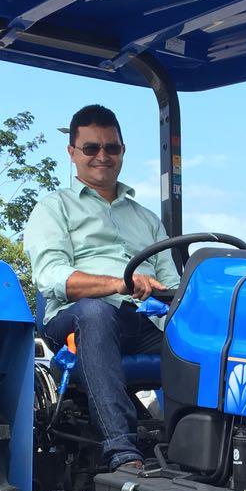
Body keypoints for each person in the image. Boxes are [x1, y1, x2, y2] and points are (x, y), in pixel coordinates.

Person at [24, 104, 180, 471]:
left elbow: (171, 285)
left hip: (140, 322)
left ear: (122, 151)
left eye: (112, 148)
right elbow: (51, 276)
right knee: (97, 314)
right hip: (73, 318)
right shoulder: (53, 208)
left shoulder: (146, 219)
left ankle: (202, 445)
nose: (102, 156)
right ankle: (122, 452)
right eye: (91, 148)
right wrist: (120, 284)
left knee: (203, 341)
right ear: (73, 153)